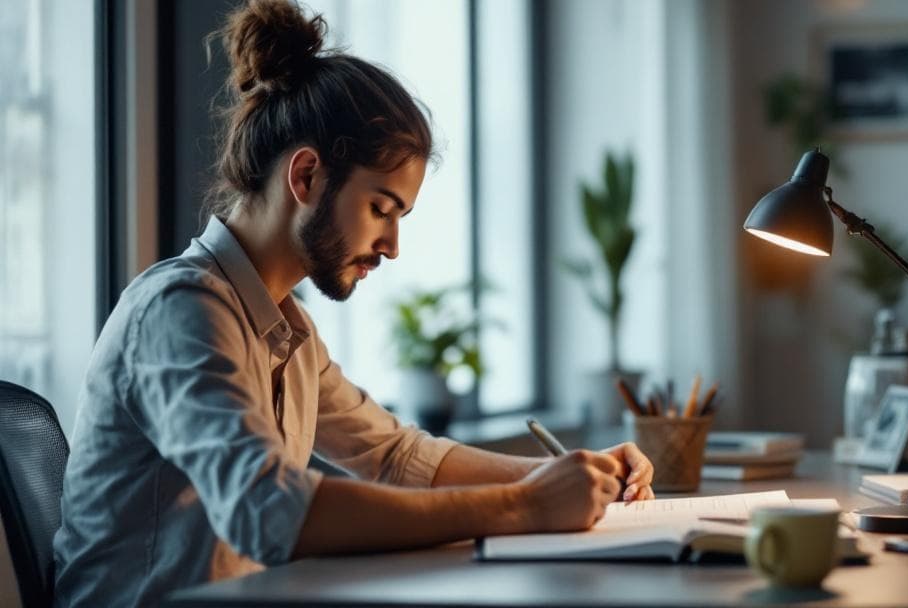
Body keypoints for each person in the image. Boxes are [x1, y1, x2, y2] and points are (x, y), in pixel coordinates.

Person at [52, 1, 654, 605]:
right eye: (381, 209)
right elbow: (269, 511)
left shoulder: (287, 330)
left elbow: (396, 455)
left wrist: (573, 475)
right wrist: (524, 505)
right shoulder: (181, 310)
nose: (391, 246)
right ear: (307, 176)